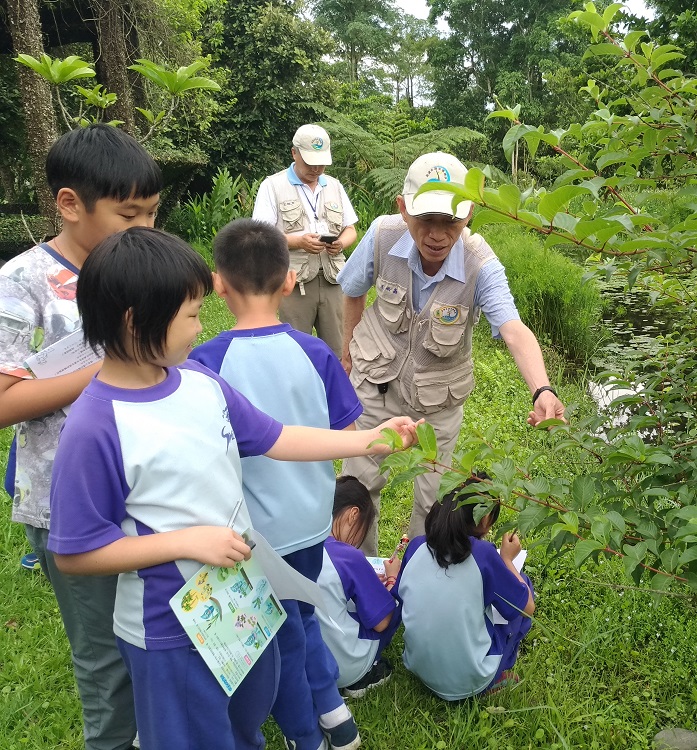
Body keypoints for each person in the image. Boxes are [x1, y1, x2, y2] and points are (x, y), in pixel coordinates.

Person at [46, 227, 418, 750]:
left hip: (242, 601)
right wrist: (185, 543)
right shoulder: (95, 426)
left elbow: (276, 437)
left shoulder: (200, 382)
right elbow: (75, 553)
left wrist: (363, 438)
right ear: (136, 321)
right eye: (191, 315)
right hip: (171, 632)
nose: (201, 327)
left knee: (244, 726)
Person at [0, 123, 161, 750]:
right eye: (129, 214)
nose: (145, 228)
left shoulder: (143, 269)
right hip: (72, 504)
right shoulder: (24, 282)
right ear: (70, 204)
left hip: (150, 488)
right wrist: (108, 364)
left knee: (155, 636)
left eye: (152, 213)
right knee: (105, 659)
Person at [189, 218, 363, 750]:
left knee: (277, 637)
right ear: (290, 281)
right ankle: (336, 718)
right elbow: (346, 430)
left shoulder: (205, 363)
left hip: (255, 536)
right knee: (301, 618)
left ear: (218, 283)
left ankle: (306, 737)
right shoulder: (315, 353)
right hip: (312, 521)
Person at [338, 151, 566, 554]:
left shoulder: (482, 265)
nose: (438, 235)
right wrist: (347, 351)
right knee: (357, 489)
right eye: (427, 220)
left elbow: (514, 330)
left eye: (451, 222)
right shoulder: (381, 235)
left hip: (437, 403)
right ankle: (360, 577)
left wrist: (542, 390)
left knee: (431, 497)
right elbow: (353, 290)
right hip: (373, 386)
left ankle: (416, 582)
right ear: (404, 209)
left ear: (470, 214)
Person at [393, 478, 534, 700]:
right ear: (485, 518)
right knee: (523, 586)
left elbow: (402, 595)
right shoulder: (485, 555)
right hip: (471, 679)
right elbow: (527, 608)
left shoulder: (416, 546)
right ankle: (495, 676)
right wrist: (507, 560)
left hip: (419, 667)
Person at [252, 124, 358, 358]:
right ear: (294, 153)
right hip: (294, 281)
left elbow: (350, 229)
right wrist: (298, 241)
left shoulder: (334, 186)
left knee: (340, 350)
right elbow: (261, 236)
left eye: (321, 162)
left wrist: (341, 243)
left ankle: (335, 393)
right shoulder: (273, 186)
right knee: (295, 351)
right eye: (310, 161)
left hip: (333, 279)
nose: (316, 168)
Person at [316, 475, 401, 697]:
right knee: (393, 603)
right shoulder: (348, 556)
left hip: (307, 665)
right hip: (345, 668)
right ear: (354, 515)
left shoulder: (297, 542)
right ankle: (365, 675)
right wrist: (392, 580)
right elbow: (382, 622)